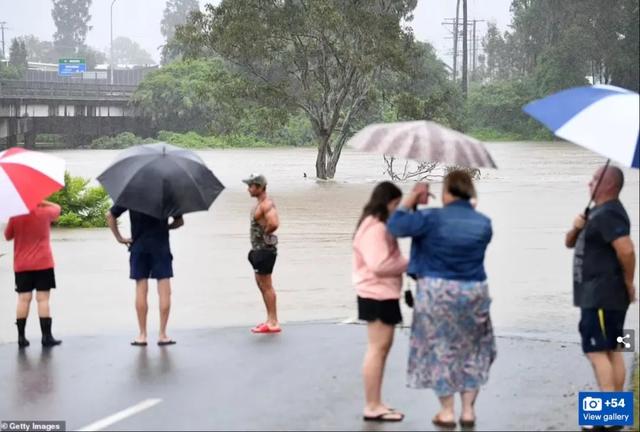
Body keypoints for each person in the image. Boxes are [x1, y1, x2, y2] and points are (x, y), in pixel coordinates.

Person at [387, 170, 495, 429]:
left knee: (440, 349)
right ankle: (468, 410)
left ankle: (447, 411)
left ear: (447, 191)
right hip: (473, 290)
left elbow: (395, 227)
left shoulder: (430, 218)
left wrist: (411, 199)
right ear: (470, 192)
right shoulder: (483, 222)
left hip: (436, 291)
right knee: (472, 349)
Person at [565, 165, 636, 395]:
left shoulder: (610, 213)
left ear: (609, 185)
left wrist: (628, 283)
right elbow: (568, 243)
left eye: (595, 179)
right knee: (614, 348)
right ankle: (614, 414)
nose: (589, 183)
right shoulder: (596, 212)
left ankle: (604, 417)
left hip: (602, 296)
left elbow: (626, 251)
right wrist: (576, 227)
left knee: (597, 351)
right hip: (602, 295)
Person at [352, 182, 408, 422]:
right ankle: (372, 405)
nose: (397, 209)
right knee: (377, 349)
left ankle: (376, 401)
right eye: (396, 204)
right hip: (376, 294)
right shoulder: (375, 228)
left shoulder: (375, 224)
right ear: (386, 203)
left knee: (381, 349)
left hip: (380, 293)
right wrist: (410, 263)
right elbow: (379, 266)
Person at [106, 206, 184, 346]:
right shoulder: (167, 195)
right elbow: (179, 222)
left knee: (141, 290)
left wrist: (119, 238)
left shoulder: (131, 193)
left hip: (139, 248)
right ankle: (163, 335)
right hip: (161, 248)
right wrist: (166, 227)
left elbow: (110, 216)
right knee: (165, 291)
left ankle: (142, 335)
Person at [4, 200, 63, 348]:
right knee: (43, 299)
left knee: (23, 299)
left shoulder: (16, 215)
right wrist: (41, 201)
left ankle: (21, 338)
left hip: (22, 265)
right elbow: (58, 208)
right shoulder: (45, 212)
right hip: (44, 263)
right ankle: (46, 337)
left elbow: (8, 236)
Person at [243, 173, 281, 334]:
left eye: (251, 186)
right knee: (261, 285)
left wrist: (266, 235)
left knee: (267, 286)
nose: (248, 189)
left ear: (259, 187)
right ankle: (269, 319)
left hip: (265, 251)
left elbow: (274, 223)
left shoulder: (266, 204)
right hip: (258, 250)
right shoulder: (260, 204)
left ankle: (273, 322)